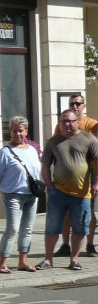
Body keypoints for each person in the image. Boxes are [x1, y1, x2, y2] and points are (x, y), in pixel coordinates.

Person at [38, 108, 98, 271]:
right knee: (52, 227)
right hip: (58, 192)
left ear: (78, 122)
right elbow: (45, 165)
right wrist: (49, 185)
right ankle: (48, 259)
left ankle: (74, 259)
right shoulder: (53, 141)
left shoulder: (89, 139)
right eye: (64, 121)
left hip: (82, 193)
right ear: (60, 123)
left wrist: (96, 183)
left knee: (79, 227)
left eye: (71, 121)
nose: (67, 124)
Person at [0, 115, 41, 273]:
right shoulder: (4, 153)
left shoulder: (32, 150)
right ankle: (2, 262)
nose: (18, 134)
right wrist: (6, 189)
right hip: (13, 195)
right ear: (10, 133)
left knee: (27, 229)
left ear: (26, 132)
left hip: (31, 195)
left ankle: (23, 261)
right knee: (12, 228)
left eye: (20, 131)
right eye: (14, 131)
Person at [55, 93, 97, 257]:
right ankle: (65, 245)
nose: (75, 106)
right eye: (72, 103)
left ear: (83, 106)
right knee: (66, 210)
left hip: (88, 172)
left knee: (88, 210)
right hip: (65, 174)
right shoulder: (61, 125)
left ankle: (90, 244)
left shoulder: (91, 124)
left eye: (78, 104)